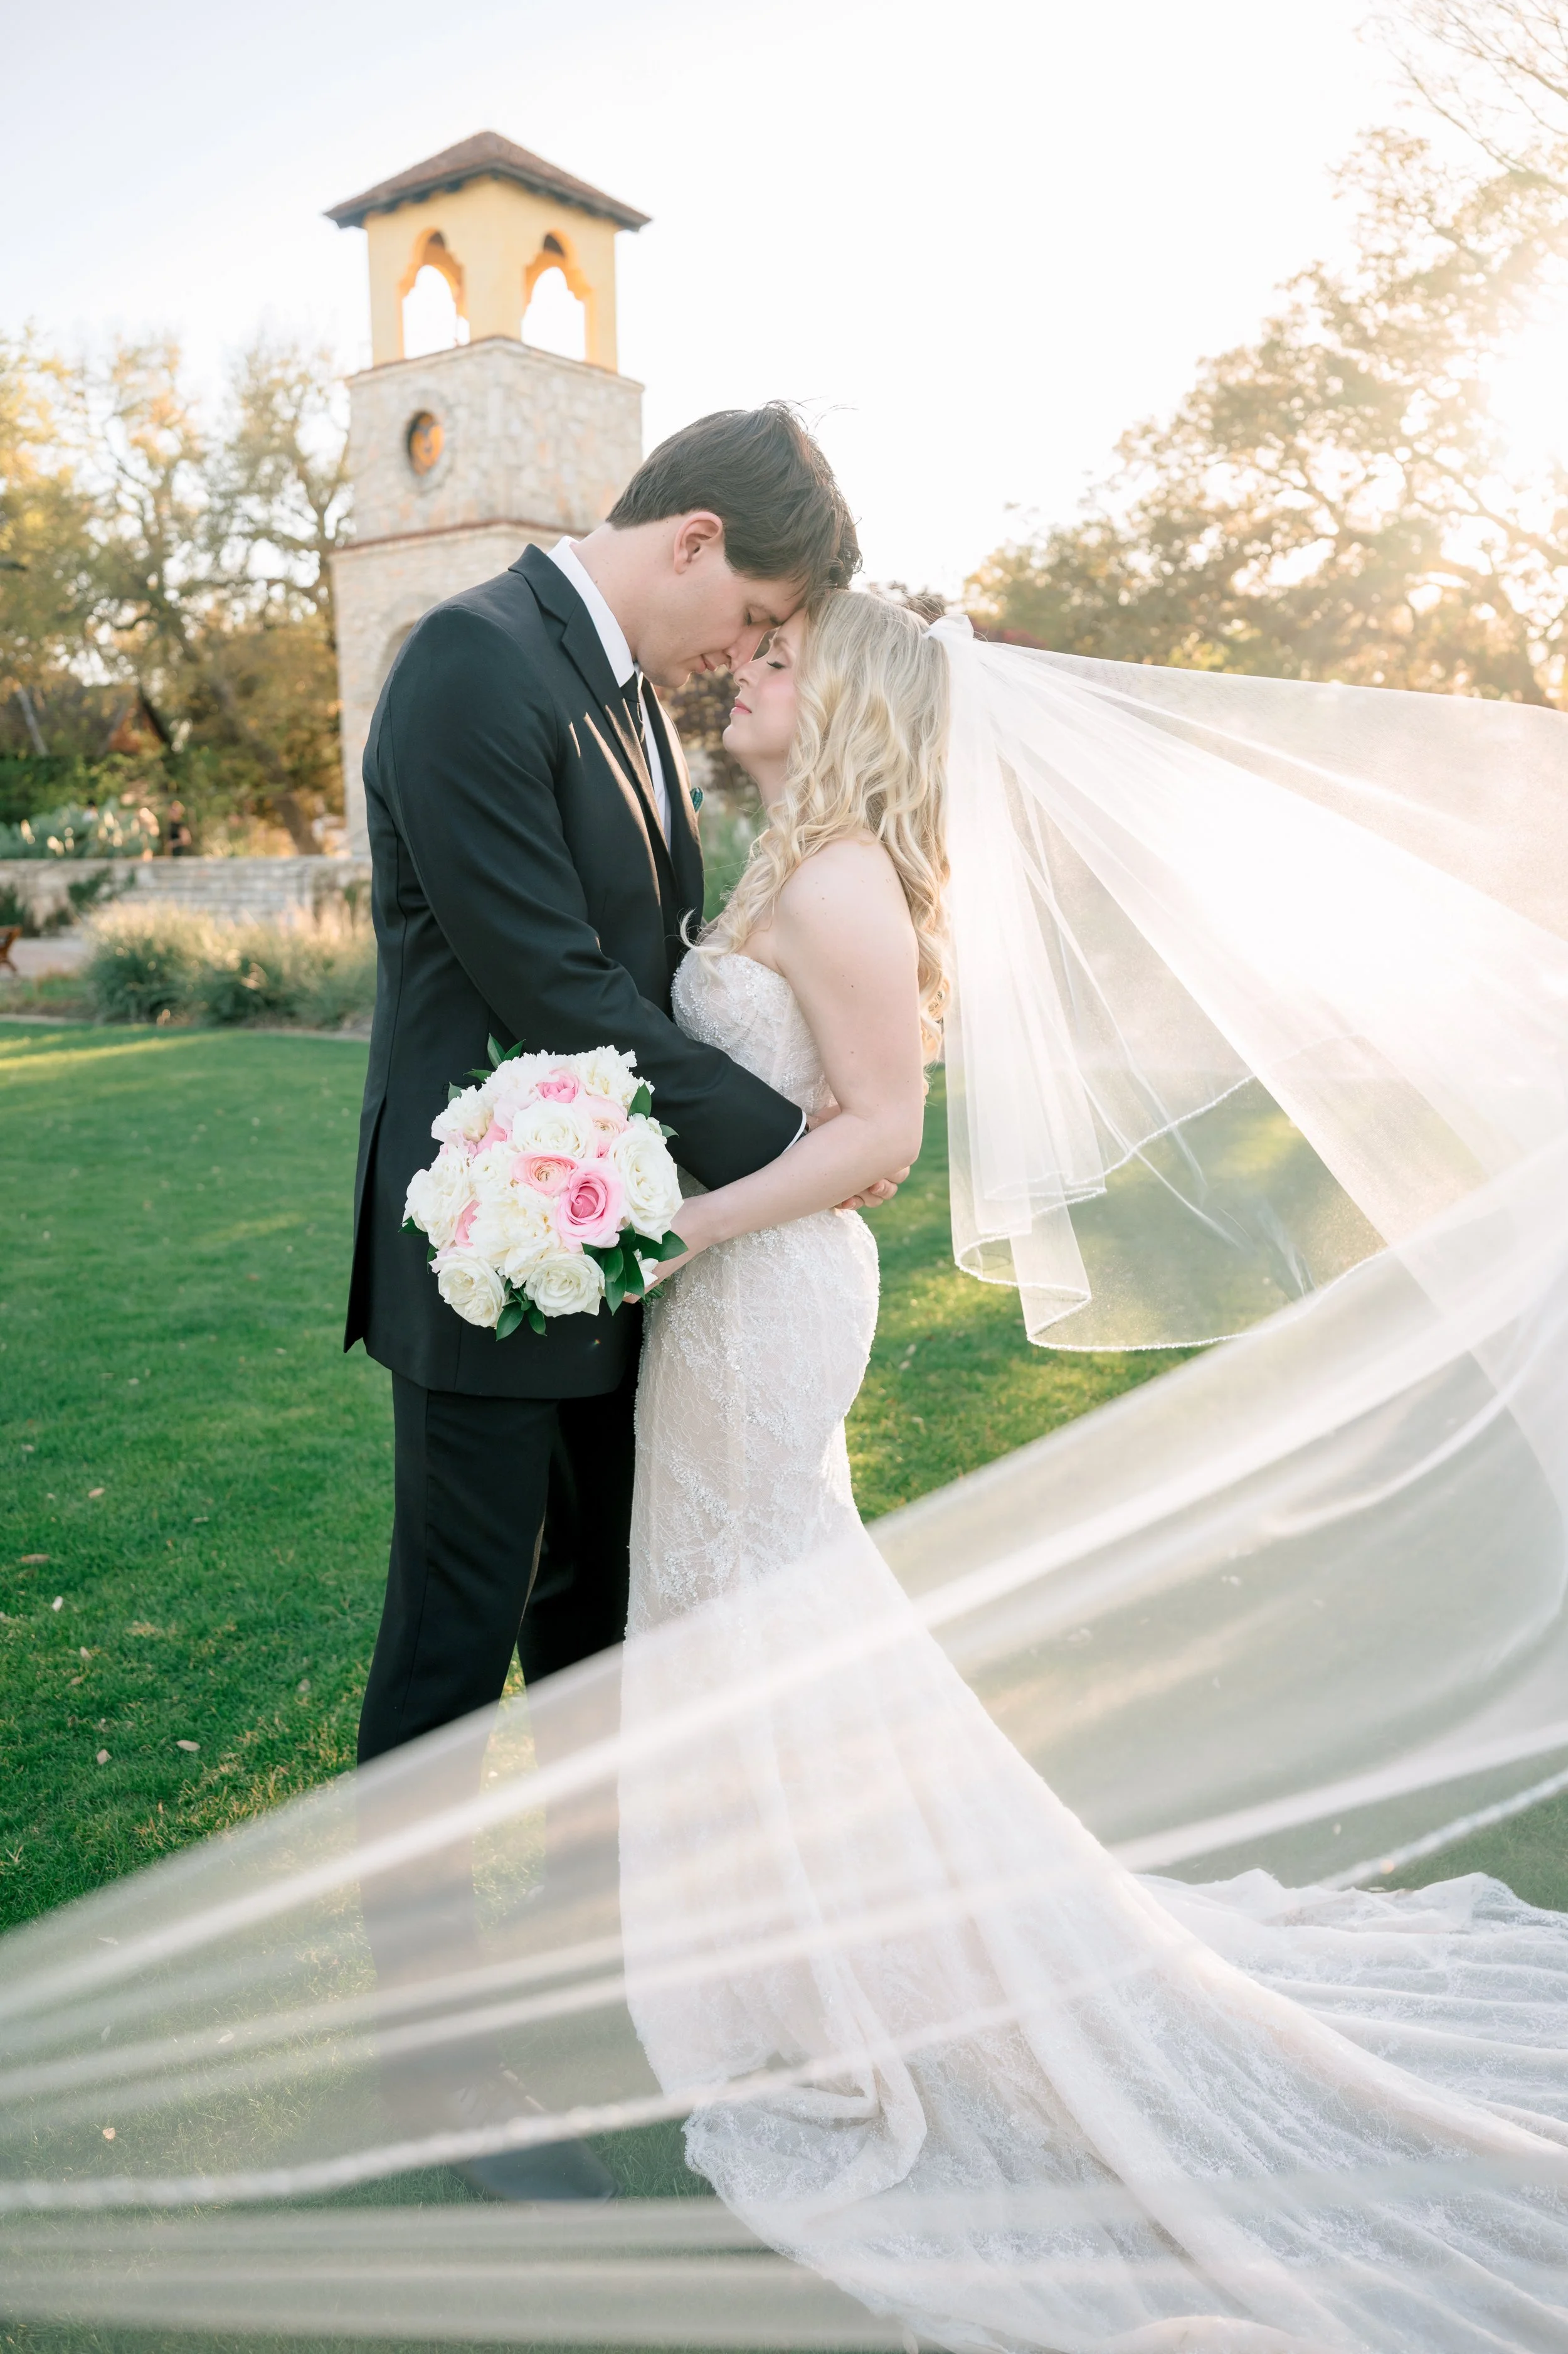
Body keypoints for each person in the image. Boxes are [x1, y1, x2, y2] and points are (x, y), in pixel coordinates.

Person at [614, 591, 1568, 2350]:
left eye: (775, 659)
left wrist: (676, 1231)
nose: (740, 671)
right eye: (744, 652)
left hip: (755, 1295)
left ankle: (851, 1986)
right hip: (725, 1294)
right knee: (725, 1630)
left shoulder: (833, 884)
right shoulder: (785, 856)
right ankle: (773, 1971)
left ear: (848, 705)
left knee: (755, 1626)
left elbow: (884, 1139)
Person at [342, 405, 905, 2200]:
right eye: (746, 617)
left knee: (594, 1637)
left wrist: (741, 1182)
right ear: (685, 544)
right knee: (454, 1654)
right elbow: (548, 975)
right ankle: (431, 2064)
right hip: (489, 1260)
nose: (742, 654)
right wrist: (796, 1138)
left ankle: (594, 1991)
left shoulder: (634, 711)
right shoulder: (469, 665)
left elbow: (653, 963)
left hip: (630, 1247)